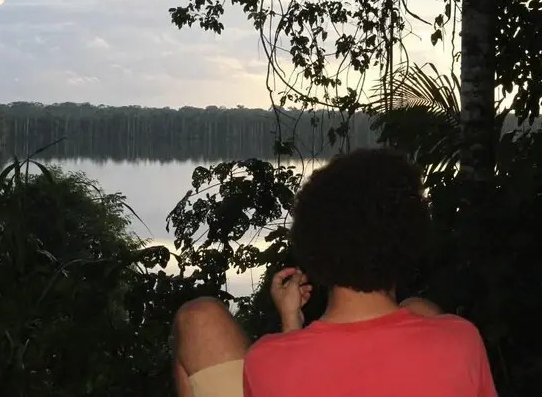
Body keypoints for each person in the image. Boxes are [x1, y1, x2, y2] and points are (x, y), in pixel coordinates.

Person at [171, 148, 497, 397]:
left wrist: (291, 326)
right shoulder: (460, 341)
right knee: (420, 309)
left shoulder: (266, 361)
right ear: (410, 238)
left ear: (313, 244)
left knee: (197, 317)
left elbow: (290, 377)